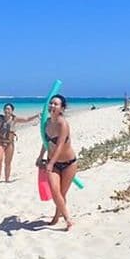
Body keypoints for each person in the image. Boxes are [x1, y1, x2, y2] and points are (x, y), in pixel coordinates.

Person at [37, 94, 78, 230]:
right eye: (51, 103)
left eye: (56, 104)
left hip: (69, 164)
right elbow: (45, 141)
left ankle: (57, 216)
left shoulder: (63, 123)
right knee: (55, 191)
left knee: (62, 193)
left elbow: (60, 146)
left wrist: (50, 163)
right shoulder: (47, 122)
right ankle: (67, 219)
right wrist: (40, 156)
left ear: (62, 108)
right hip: (52, 162)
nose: (52, 106)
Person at [0, 103, 39, 182]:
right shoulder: (0, 119)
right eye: (5, 109)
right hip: (0, 142)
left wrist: (36, 116)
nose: (6, 110)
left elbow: (26, 119)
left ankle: (7, 179)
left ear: (12, 111)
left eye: (8, 109)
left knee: (8, 162)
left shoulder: (15, 119)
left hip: (10, 143)